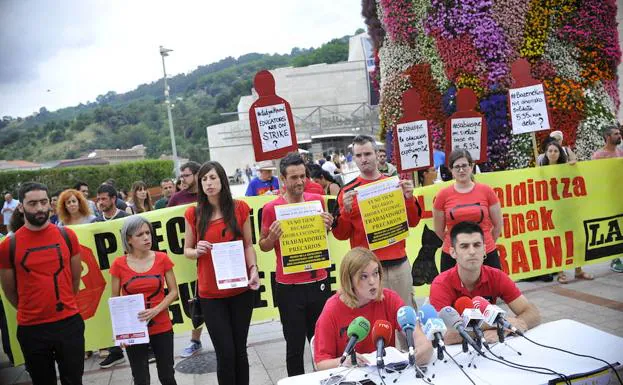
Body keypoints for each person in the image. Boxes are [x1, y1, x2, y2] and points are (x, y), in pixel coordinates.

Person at [183, 161, 260, 385]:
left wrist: (253, 269)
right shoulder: (193, 213)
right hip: (211, 294)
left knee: (239, 350)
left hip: (240, 290)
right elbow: (186, 250)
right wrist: (196, 251)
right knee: (225, 353)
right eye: (204, 179)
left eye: (213, 178)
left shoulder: (240, 208)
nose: (209, 183)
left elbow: (248, 244)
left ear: (222, 180)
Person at [0, 182, 85, 384]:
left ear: (50, 204)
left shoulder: (67, 235)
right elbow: (9, 290)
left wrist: (65, 303)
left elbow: (75, 277)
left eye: (43, 202)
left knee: (74, 380)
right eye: (32, 203)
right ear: (21, 207)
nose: (39, 208)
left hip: (69, 323)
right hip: (32, 329)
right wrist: (32, 309)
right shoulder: (8, 246)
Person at [259, 152, 334, 376]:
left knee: (321, 344)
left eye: (303, 176)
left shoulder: (317, 201)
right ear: (283, 179)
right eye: (294, 177)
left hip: (318, 281)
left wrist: (328, 226)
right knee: (294, 347)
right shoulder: (272, 209)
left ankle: (323, 380)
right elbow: (263, 245)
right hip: (288, 287)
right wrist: (272, 238)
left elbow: (323, 236)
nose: (300, 181)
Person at [333, 135, 422, 308]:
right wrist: (346, 211)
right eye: (358, 156)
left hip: (398, 264)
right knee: (371, 321)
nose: (363, 159)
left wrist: (409, 199)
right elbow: (341, 234)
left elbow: (413, 221)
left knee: (406, 320)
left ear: (377, 154)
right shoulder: (347, 192)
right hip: (365, 271)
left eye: (367, 154)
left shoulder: (395, 184)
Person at [314, 248, 432, 369]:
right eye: (364, 276)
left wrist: (424, 347)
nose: (372, 281)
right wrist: (343, 362)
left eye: (375, 273)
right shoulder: (332, 309)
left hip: (385, 374)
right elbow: (322, 364)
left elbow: (416, 334)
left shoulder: (389, 298)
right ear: (349, 280)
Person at [429, 221, 541, 344]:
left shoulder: (497, 276)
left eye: (477, 245)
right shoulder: (440, 284)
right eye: (464, 246)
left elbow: (532, 313)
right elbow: (444, 335)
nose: (472, 251)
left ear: (484, 250)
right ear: (453, 252)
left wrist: (504, 330)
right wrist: (497, 324)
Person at [110, 216, 178, 385]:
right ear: (129, 239)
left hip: (162, 325)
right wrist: (121, 334)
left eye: (148, 232)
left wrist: (156, 310)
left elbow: (174, 292)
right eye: (140, 234)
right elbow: (115, 300)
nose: (147, 237)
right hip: (134, 329)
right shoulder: (119, 264)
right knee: (140, 378)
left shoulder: (162, 258)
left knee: (167, 375)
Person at [433, 149, 503, 272]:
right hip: (452, 255)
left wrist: (484, 243)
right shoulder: (442, 195)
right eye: (457, 167)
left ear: (472, 166)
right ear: (451, 170)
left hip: (485, 252)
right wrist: (457, 243)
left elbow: (498, 225)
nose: (461, 170)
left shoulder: (486, 191)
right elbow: (439, 230)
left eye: (465, 165)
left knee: (491, 290)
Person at [537, 141, 593, 283]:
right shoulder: (540, 171)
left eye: (556, 151)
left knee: (577, 239)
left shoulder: (567, 168)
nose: (553, 153)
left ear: (560, 153)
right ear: (546, 153)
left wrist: (574, 163)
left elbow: (578, 179)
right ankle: (561, 273)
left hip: (570, 209)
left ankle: (578, 270)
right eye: (550, 151)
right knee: (559, 242)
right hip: (552, 211)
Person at [93, 184, 130, 368]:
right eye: (98, 199)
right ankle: (115, 352)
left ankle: (144, 348)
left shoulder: (127, 219)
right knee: (108, 311)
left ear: (114, 199)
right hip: (107, 275)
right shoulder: (94, 224)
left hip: (128, 272)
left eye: (104, 199)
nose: (100, 202)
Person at [591, 124, 623, 272]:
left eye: (619, 133)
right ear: (608, 137)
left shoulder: (620, 153)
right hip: (607, 197)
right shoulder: (598, 156)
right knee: (614, 228)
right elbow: (595, 177)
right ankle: (615, 258)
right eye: (616, 134)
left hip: (620, 194)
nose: (619, 136)